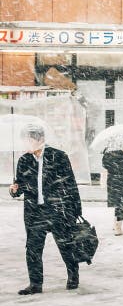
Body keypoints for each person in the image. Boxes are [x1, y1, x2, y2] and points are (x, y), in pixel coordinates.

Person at [10, 124, 82, 294]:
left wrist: (76, 211)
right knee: (33, 249)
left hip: (57, 209)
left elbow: (70, 184)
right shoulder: (24, 160)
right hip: (34, 212)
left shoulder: (58, 156)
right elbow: (19, 186)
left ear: (39, 139)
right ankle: (35, 284)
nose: (25, 144)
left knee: (65, 245)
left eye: (28, 140)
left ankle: (73, 276)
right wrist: (14, 190)